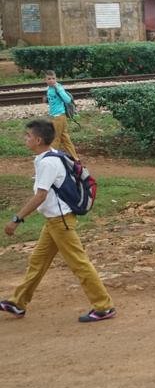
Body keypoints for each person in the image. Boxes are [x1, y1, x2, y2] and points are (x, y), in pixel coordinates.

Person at [1, 119, 115, 322]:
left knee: (79, 264)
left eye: (27, 136)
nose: (24, 139)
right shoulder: (47, 158)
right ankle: (18, 303)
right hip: (53, 221)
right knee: (37, 262)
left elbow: (41, 196)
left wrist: (17, 218)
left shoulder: (47, 162)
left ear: (38, 140)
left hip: (60, 221)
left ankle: (104, 307)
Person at [43, 70, 77, 160]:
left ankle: (51, 158)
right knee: (65, 139)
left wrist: (59, 89)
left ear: (56, 78)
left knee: (55, 138)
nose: (51, 80)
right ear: (45, 80)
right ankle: (75, 159)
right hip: (55, 116)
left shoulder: (58, 88)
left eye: (53, 78)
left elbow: (67, 100)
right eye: (49, 79)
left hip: (59, 116)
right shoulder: (49, 89)